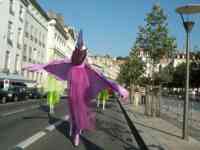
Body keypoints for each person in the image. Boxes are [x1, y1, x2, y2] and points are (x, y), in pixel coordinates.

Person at [25, 30, 129, 146]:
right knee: (74, 113)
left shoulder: (86, 66)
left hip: (82, 92)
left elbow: (102, 77)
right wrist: (40, 66)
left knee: (80, 113)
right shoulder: (71, 62)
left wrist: (119, 88)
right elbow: (56, 63)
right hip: (72, 93)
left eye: (81, 50)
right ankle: (75, 131)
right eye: (79, 49)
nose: (80, 52)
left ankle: (77, 132)